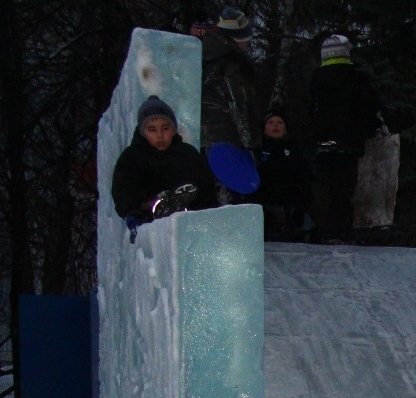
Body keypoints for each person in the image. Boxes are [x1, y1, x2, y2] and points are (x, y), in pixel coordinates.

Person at [309, 34, 383, 244]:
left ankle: (325, 229)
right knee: (346, 185)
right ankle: (343, 230)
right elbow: (370, 107)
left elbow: (309, 111)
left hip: (323, 142)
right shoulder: (357, 77)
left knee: (327, 185)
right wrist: (370, 129)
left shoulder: (316, 79)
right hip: (349, 140)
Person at [111, 95, 217, 229]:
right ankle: (162, 205)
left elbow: (206, 188)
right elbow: (122, 189)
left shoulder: (188, 155)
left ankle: (176, 204)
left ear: (173, 130)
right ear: (143, 132)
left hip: (189, 222)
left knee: (190, 190)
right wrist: (131, 213)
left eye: (165, 128)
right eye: (152, 130)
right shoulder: (132, 157)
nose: (160, 135)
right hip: (147, 219)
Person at [200, 7, 260, 203]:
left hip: (200, 138)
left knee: (208, 196)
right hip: (227, 138)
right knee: (230, 199)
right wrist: (252, 146)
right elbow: (240, 106)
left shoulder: (200, 55)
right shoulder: (234, 64)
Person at [255, 110, 312, 241]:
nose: (275, 126)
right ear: (264, 129)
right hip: (264, 208)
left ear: (285, 129)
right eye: (271, 122)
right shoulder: (257, 153)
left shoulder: (296, 152)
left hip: (293, 208)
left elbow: (306, 182)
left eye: (280, 123)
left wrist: (300, 210)